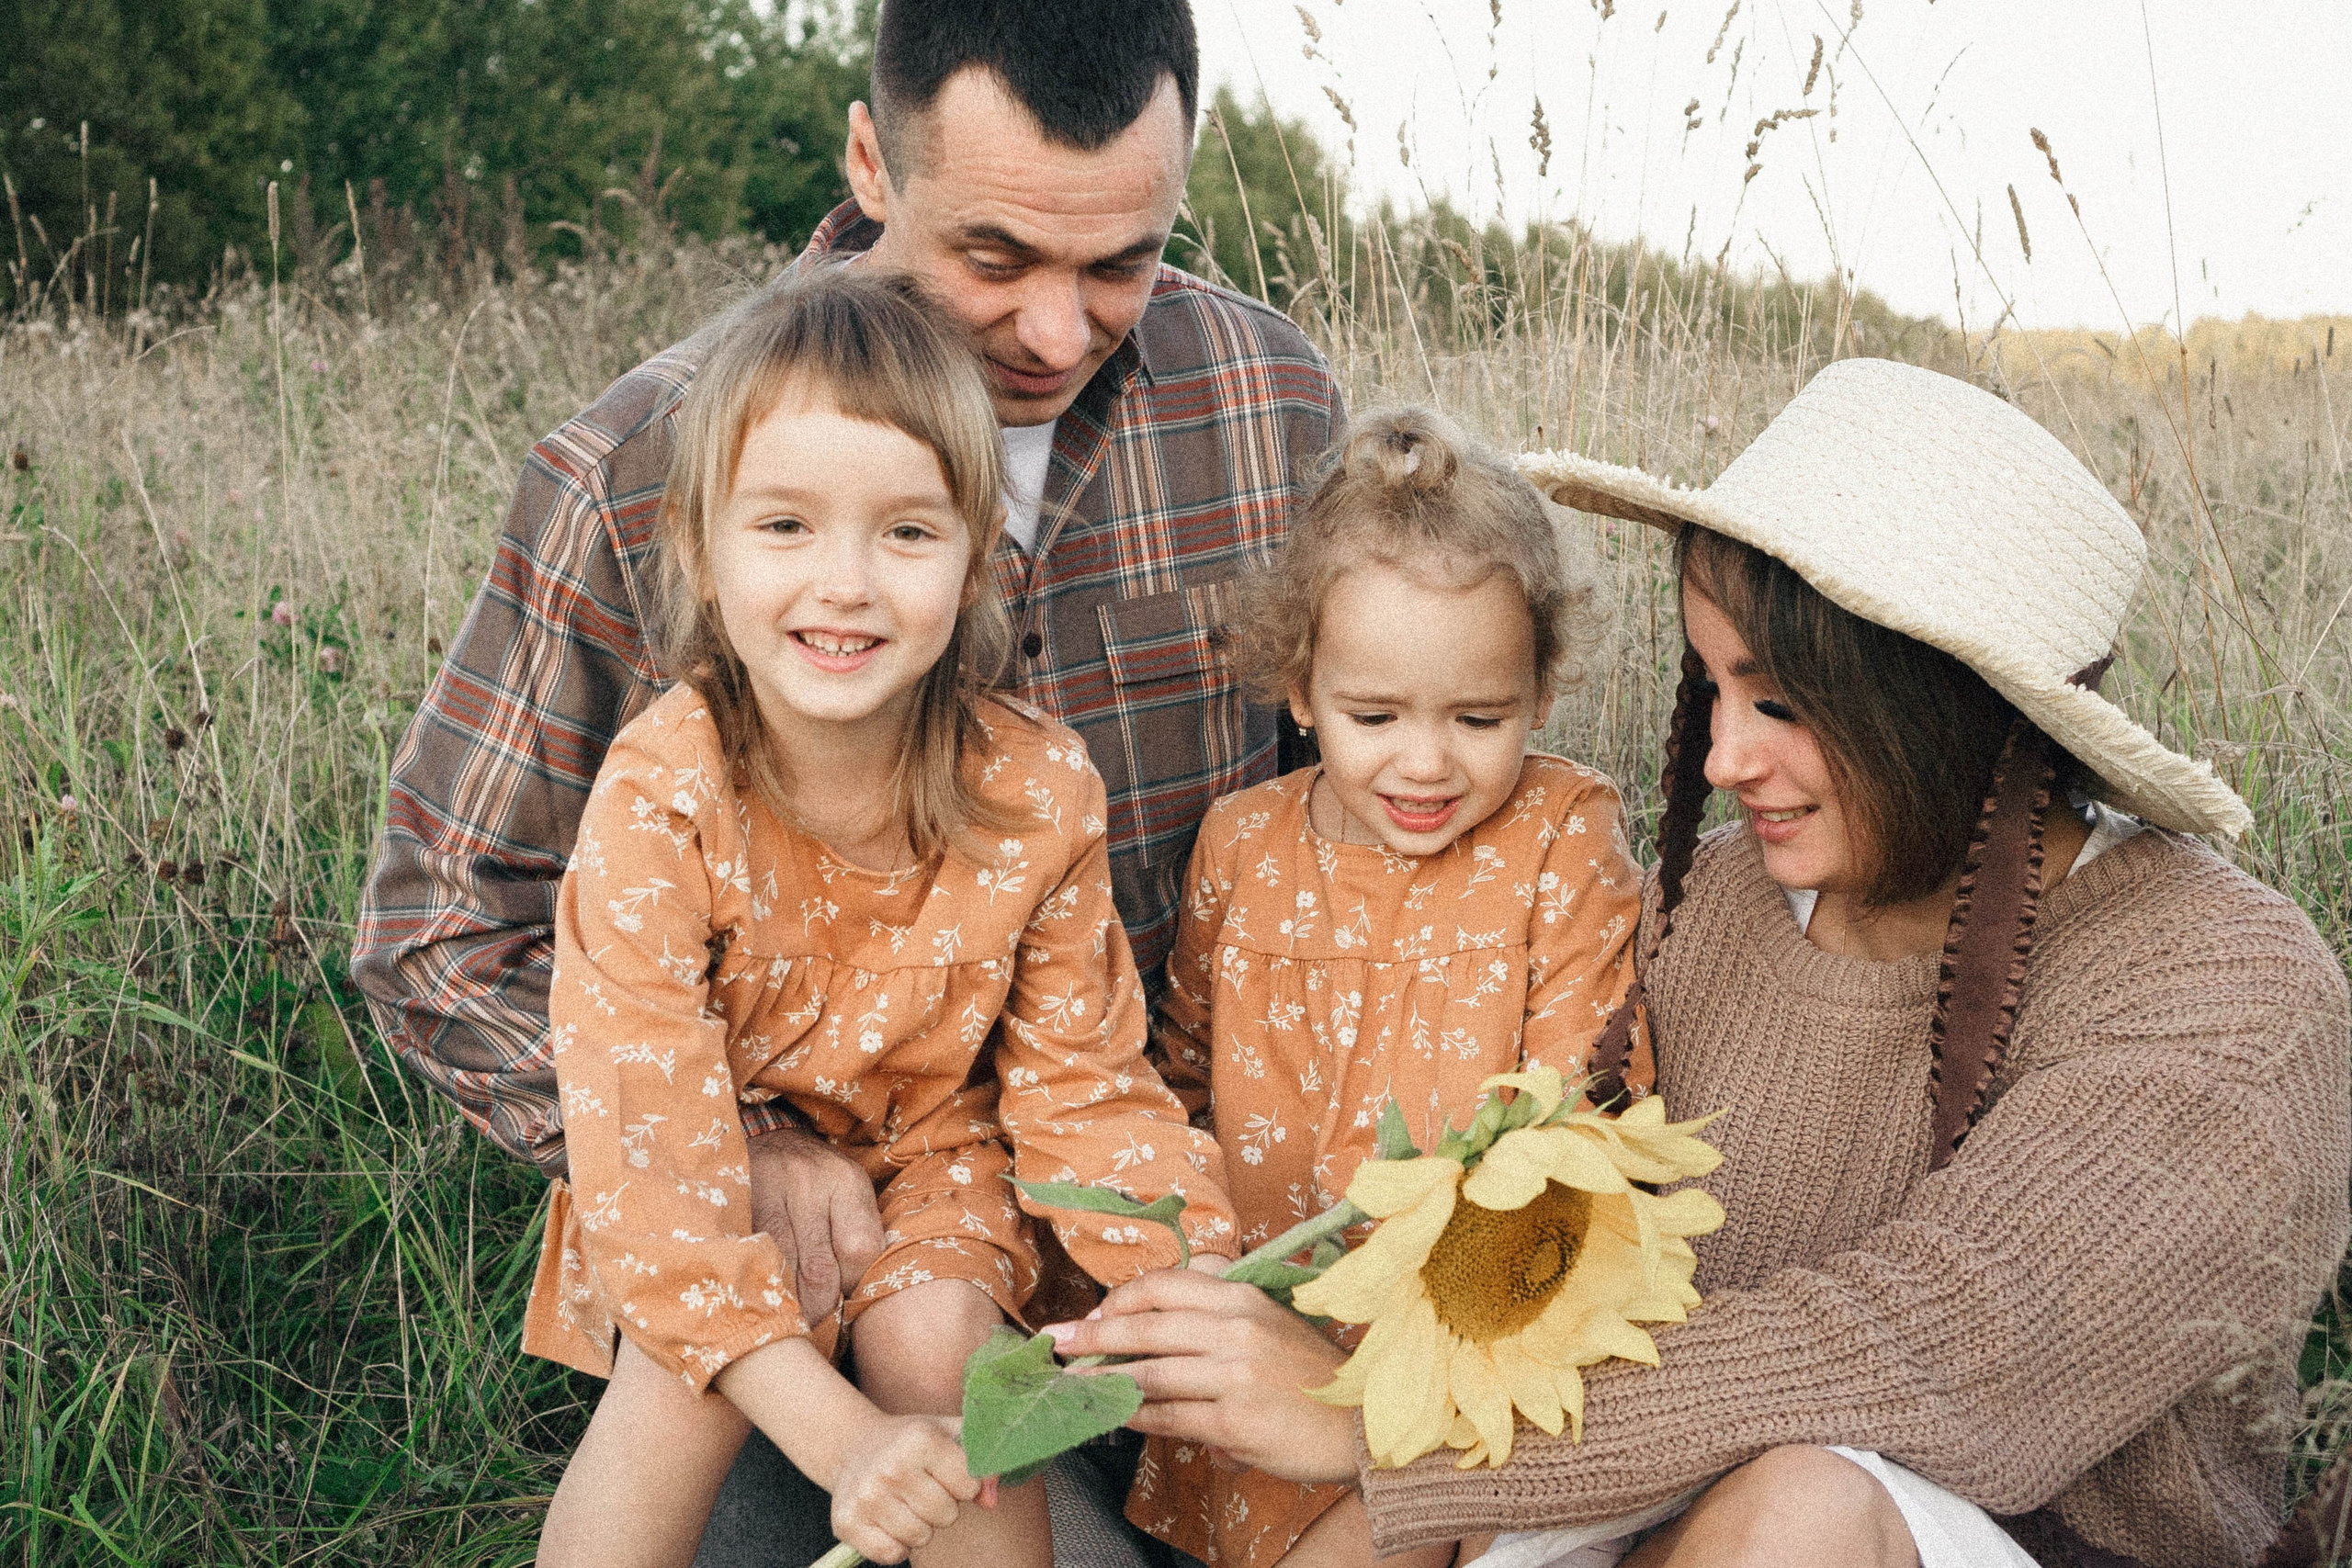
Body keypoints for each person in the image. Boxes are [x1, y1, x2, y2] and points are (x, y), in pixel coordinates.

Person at [1045, 359, 2352, 1568]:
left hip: (1996, 1536)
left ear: (1935, 703)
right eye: (1710, 688)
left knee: (1803, 1507)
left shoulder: (2219, 985)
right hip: (1647, 1498)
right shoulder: (1715, 900)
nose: (1725, 759)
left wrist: (1378, 1419)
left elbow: (1943, 1341)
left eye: (1780, 703)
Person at [352, 1, 1338, 1555]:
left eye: (1124, 264)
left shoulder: (1265, 406)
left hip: (1083, 1222)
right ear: (872, 159)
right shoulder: (644, 466)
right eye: (997, 258)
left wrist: (1217, 1248)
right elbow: (434, 930)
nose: (1063, 333)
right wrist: (740, 1142)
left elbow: (1325, 825)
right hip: (760, 1244)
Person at [527, 268, 1238, 1568]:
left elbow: (1084, 1083)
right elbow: (650, 1151)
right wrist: (844, 1443)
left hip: (936, 1153)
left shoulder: (1031, 785)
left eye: (907, 533)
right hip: (713, 1164)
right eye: (786, 526)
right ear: (698, 547)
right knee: (685, 1371)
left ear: (977, 558)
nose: (844, 583)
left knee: (945, 1348)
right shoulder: (665, 790)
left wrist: (1188, 1267)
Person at [1116, 409, 1654, 1568]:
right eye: (1373, 717)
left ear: (1541, 689)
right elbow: (1182, 1069)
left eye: (1479, 718)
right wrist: (1191, 1265)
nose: (1425, 762)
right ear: (1299, 688)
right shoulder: (1241, 842)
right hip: (1274, 1310)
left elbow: (1580, 1105)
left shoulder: (1563, 834)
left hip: (1458, 1344)